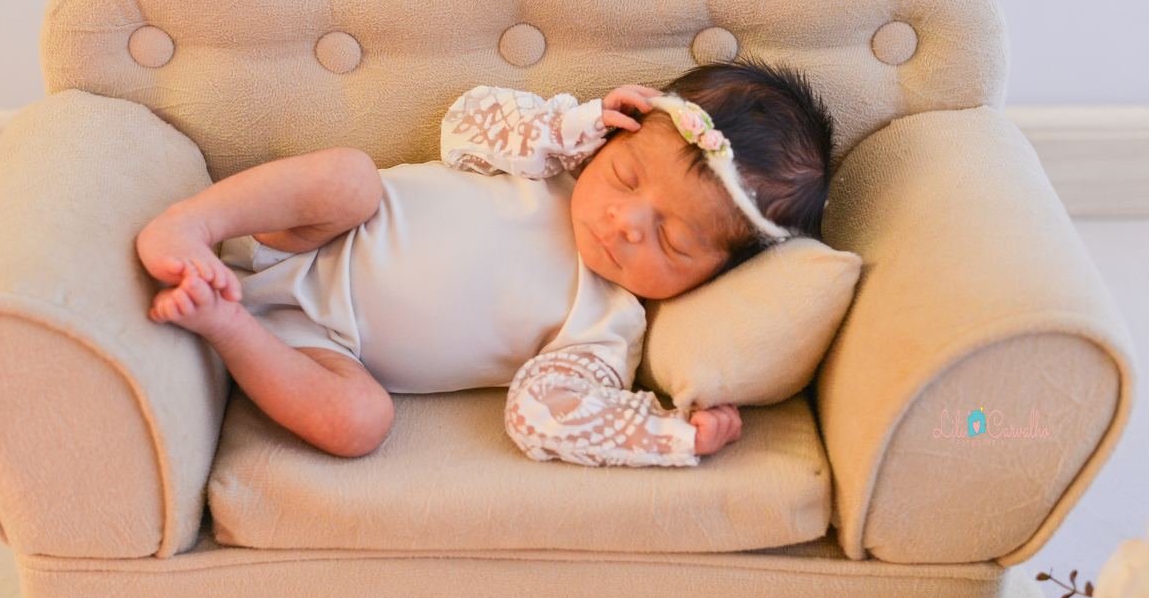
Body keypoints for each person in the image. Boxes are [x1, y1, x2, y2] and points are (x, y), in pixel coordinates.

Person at [136, 58, 834, 467]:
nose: (624, 223)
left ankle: (227, 325)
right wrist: (571, 128)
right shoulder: (545, 162)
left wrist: (666, 435)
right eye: (624, 176)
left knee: (360, 425)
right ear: (616, 134)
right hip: (311, 232)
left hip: (323, 349)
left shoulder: (606, 327)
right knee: (351, 176)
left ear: (715, 276)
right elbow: (463, 123)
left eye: (674, 241)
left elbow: (540, 416)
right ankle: (196, 224)